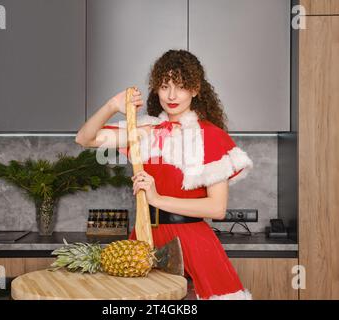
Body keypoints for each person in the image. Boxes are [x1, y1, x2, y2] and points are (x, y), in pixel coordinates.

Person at [75, 49, 253, 300]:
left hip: (192, 244)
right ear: (155, 89)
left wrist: (157, 199)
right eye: (164, 85)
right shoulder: (144, 131)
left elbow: (217, 209)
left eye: (180, 86)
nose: (171, 95)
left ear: (195, 89)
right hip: (144, 240)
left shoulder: (210, 136)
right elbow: (85, 138)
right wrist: (112, 106)